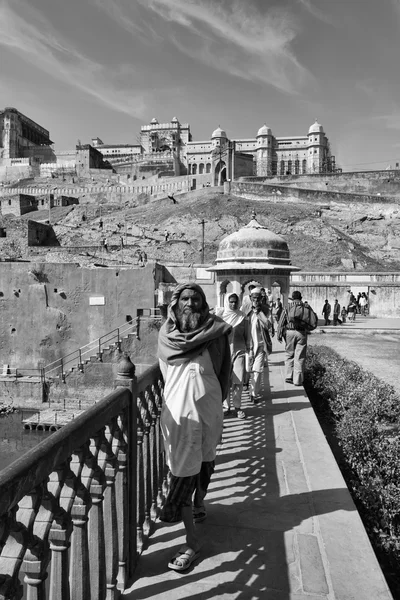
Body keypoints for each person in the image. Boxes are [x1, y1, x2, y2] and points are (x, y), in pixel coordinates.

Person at [158, 283, 231, 571]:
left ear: (204, 303)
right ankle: (192, 541)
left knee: (206, 462)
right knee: (184, 473)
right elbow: (165, 374)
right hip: (179, 413)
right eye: (184, 299)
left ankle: (199, 501)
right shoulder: (166, 335)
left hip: (209, 410)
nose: (189, 303)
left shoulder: (217, 331)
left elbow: (224, 370)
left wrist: (214, 400)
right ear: (175, 304)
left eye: (195, 298)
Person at [219, 293, 251, 419]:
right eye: (231, 301)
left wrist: (249, 350)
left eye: (235, 302)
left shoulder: (242, 317)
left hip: (239, 351)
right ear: (227, 302)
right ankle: (226, 407)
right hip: (224, 352)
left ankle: (238, 407)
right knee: (225, 380)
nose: (233, 304)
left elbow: (247, 335)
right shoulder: (221, 317)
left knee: (238, 381)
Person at [277, 291, 315, 386]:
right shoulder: (306, 306)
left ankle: (288, 376)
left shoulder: (287, 307)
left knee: (289, 354)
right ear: (301, 297)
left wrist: (279, 334)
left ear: (292, 298)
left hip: (289, 332)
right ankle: (297, 380)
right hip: (301, 333)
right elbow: (311, 319)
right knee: (300, 357)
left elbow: (281, 321)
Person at [244, 287, 274, 404]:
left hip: (261, 345)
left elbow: (268, 325)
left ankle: (253, 394)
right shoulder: (245, 309)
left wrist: (259, 312)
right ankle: (246, 384)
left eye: (258, 298)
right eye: (254, 298)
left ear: (261, 299)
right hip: (248, 345)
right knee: (247, 369)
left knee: (257, 370)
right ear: (250, 298)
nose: (256, 301)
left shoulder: (265, 310)